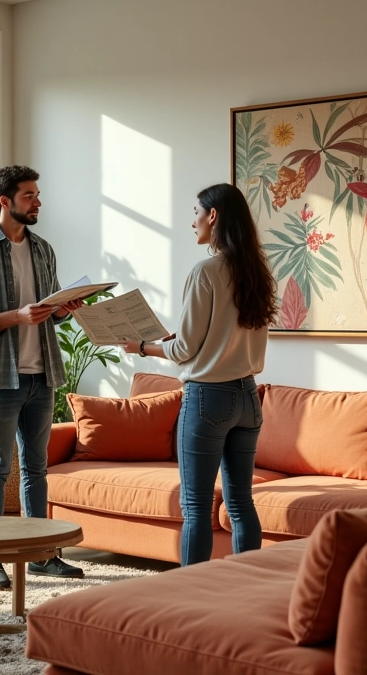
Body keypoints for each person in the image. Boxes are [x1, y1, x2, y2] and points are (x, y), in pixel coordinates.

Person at [121, 183, 277, 566]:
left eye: (197, 213)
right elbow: (222, 336)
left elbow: (183, 351)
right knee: (240, 502)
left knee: (195, 506)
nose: (193, 222)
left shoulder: (205, 271)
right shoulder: (258, 272)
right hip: (248, 397)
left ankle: (190, 591)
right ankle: (249, 586)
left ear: (213, 216)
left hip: (208, 398)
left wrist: (141, 347)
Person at [0, 165, 86, 588]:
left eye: (37, 195)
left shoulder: (43, 249)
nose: (38, 202)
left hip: (42, 376)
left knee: (36, 469)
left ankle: (42, 555)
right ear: (5, 201)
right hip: (1, 378)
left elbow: (50, 313)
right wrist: (16, 316)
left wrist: (64, 309)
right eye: (29, 195)